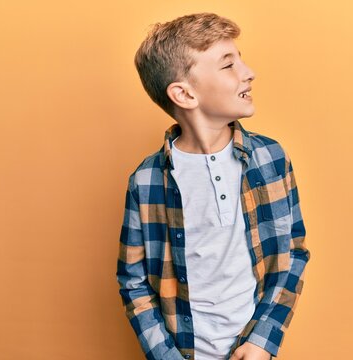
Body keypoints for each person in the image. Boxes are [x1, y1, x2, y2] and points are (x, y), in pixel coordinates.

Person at [116, 12, 310, 360]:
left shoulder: (270, 158)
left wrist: (262, 342)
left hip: (252, 350)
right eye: (227, 65)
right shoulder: (145, 182)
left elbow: (292, 253)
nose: (248, 72)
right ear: (184, 94)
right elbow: (134, 282)